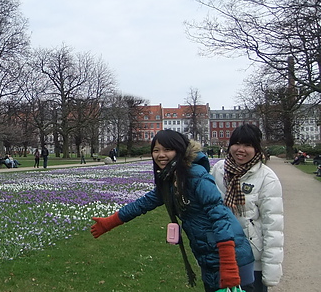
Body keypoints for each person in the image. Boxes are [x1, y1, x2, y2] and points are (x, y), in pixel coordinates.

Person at [91, 130, 255, 292]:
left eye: (167, 149)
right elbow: (143, 204)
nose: (160, 155)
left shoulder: (196, 176)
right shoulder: (169, 180)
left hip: (232, 258)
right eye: (156, 150)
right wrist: (110, 222)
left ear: (180, 150)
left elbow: (220, 217)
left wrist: (228, 264)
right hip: (209, 258)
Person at [211, 124, 284, 292]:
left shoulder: (267, 179)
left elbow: (273, 227)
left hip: (251, 257)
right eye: (236, 143)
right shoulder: (219, 169)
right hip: (223, 251)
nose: (240, 150)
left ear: (256, 148)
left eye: (248, 145)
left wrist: (270, 272)